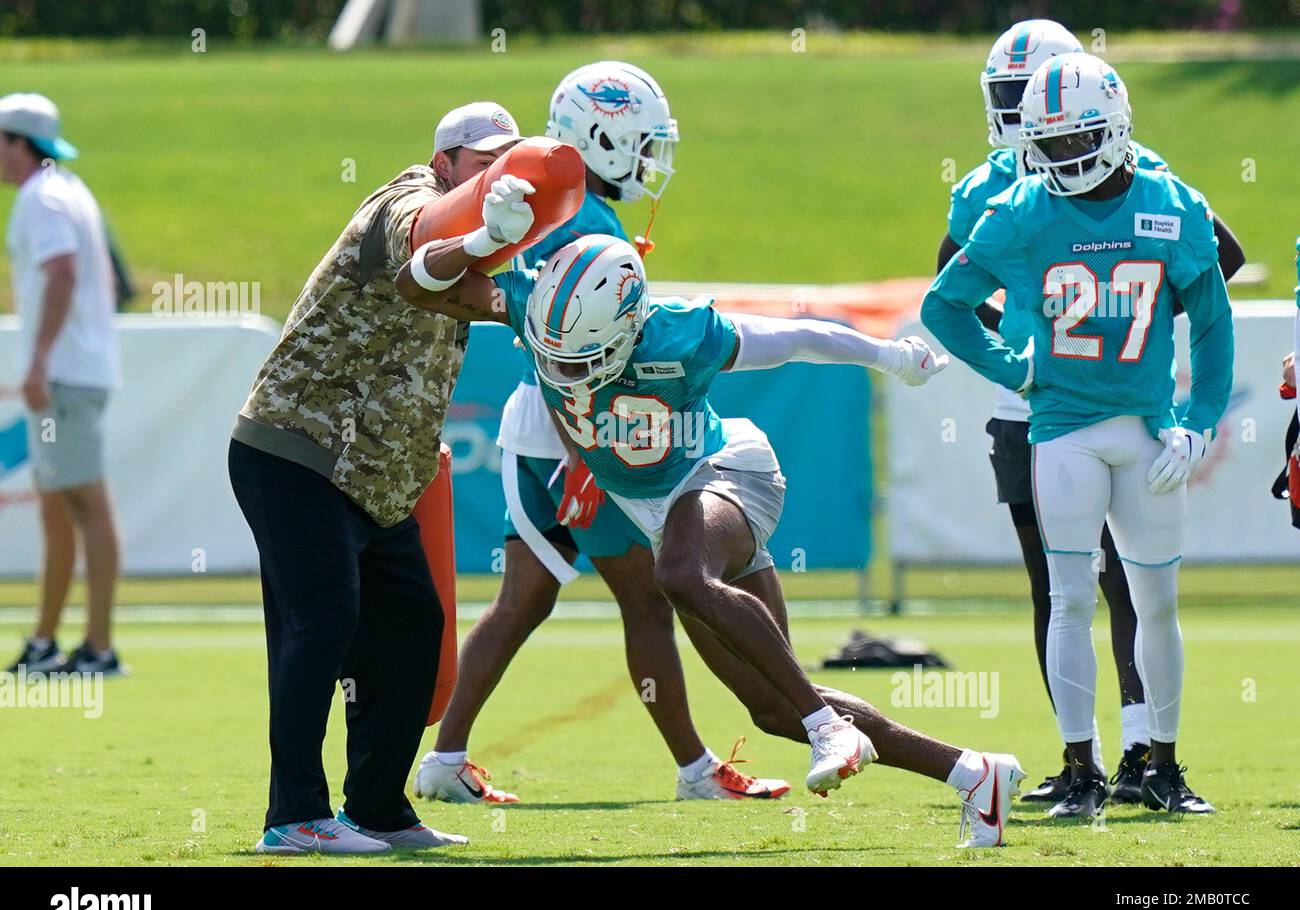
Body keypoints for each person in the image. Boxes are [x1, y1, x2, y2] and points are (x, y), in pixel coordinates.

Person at [396, 201, 1029, 847]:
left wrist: (891, 357)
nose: (569, 374)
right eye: (555, 355)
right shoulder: (533, 304)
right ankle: (975, 773)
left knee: (678, 574)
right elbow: (413, 281)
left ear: (630, 326)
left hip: (725, 475)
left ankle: (829, 726)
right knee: (775, 705)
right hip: (660, 508)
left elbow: (801, 338)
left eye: (587, 357)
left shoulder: (681, 334)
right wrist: (483, 236)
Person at [415, 61, 790, 806]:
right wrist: (591, 449)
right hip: (571, 429)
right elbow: (561, 355)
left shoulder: (577, 204)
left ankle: (444, 756)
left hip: (558, 424)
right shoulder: (578, 212)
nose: (654, 159)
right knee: (646, 597)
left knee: (527, 596)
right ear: (602, 135)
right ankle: (695, 767)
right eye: (643, 141)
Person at [935, 20, 1244, 807]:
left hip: (1147, 423)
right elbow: (946, 302)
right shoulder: (1018, 204)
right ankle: (1084, 766)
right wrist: (1016, 363)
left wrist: (1200, 416)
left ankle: (1159, 762)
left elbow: (1212, 312)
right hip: (1058, 422)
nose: (1063, 159)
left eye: (1078, 140)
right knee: (1066, 593)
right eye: (1050, 140)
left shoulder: (1169, 199)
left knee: (1152, 600)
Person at [228, 102, 524, 855]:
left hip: (374, 479)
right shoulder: (406, 203)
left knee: (413, 628)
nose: (495, 175)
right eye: (482, 160)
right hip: (297, 449)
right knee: (321, 620)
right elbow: (424, 249)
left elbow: (464, 290)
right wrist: (490, 243)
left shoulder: (478, 248)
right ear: (445, 163)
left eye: (507, 161)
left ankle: (379, 810)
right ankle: (293, 815)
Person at [1, 93, 125, 678]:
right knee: (57, 506)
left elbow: (63, 272)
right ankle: (45, 640)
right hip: (76, 371)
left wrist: (38, 361)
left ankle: (98, 648)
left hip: (67, 374)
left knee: (86, 504)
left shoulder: (41, 198)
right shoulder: (66, 189)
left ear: (18, 144)